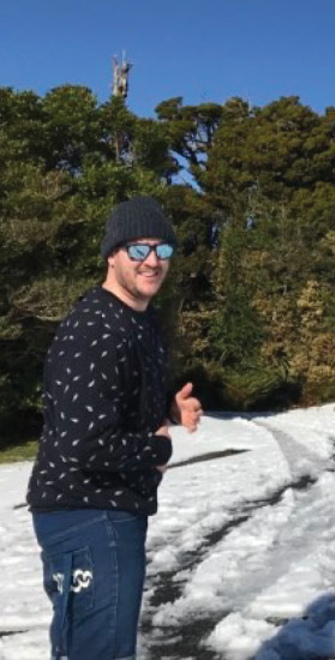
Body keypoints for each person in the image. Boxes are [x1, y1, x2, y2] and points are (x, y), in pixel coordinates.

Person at [25, 197, 203, 660]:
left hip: (109, 509)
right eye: (138, 249)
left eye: (162, 250)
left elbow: (112, 402)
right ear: (112, 253)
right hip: (86, 513)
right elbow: (85, 442)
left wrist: (169, 409)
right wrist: (157, 451)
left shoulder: (136, 322)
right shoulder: (96, 328)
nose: (152, 261)